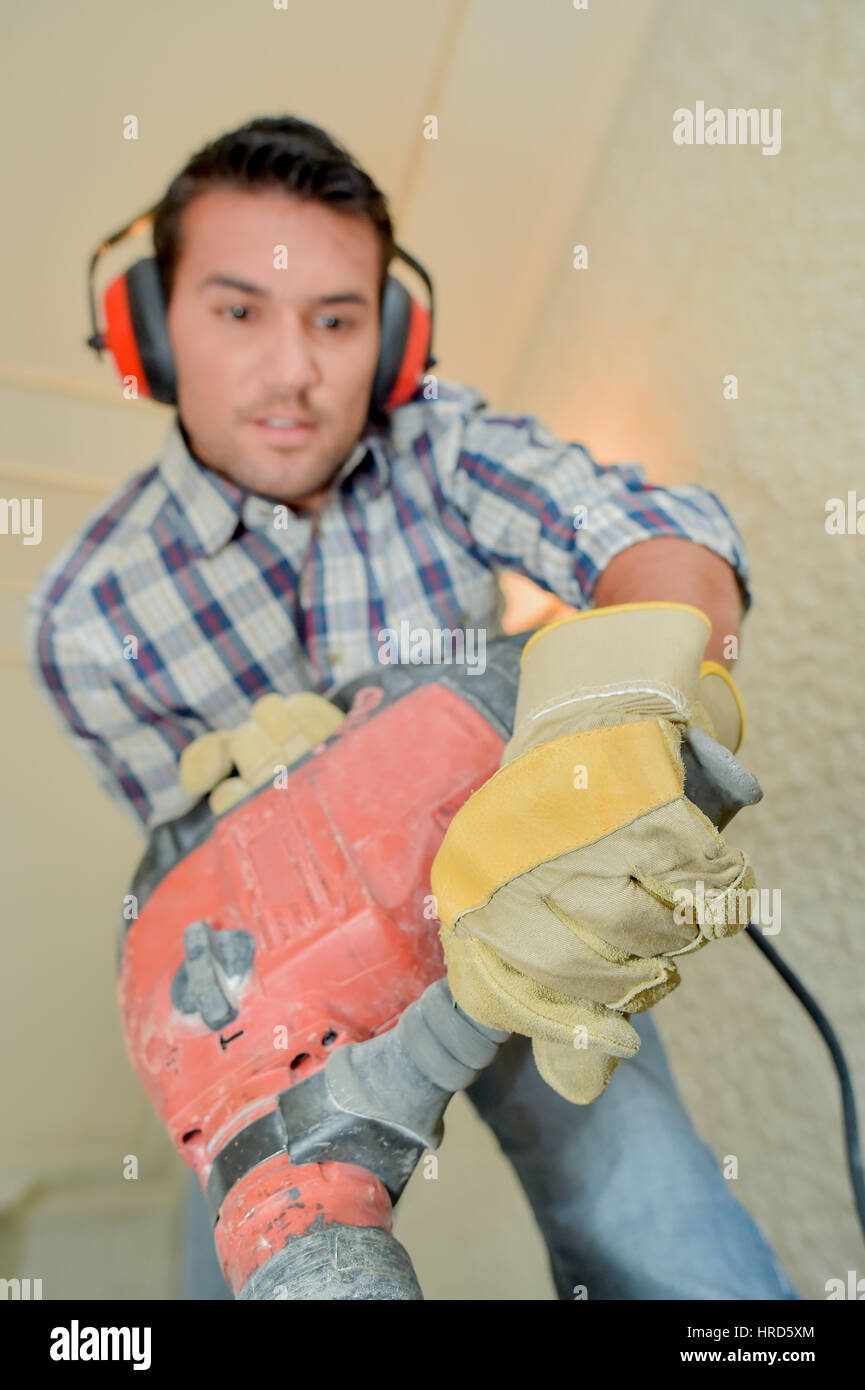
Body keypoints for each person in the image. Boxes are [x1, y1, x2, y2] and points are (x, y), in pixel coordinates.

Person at [26, 115, 799, 1301]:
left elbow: (667, 539)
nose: (294, 369)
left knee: (651, 1216)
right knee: (248, 1266)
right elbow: (190, 880)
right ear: (148, 333)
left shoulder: (439, 444)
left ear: (389, 337)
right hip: (283, 996)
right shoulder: (83, 617)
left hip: (518, 913)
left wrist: (627, 713)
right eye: (238, 312)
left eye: (336, 319)